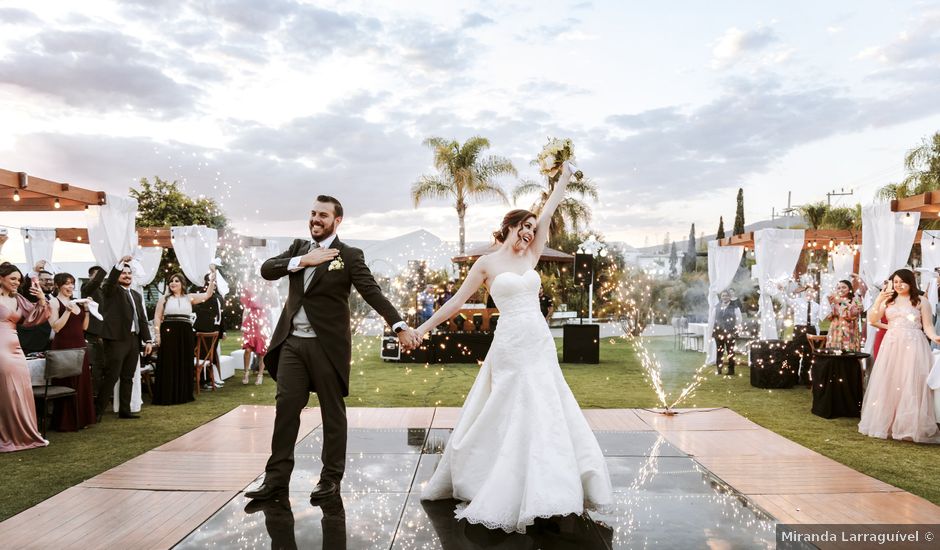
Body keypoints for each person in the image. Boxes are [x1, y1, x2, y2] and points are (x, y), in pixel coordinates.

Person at [417, 163, 613, 533]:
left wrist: (565, 176)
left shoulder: (531, 256)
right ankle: (501, 478)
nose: (528, 234)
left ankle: (551, 486)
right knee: (511, 407)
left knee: (546, 404)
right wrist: (423, 328)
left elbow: (551, 209)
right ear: (508, 227)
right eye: (523, 228)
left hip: (538, 340)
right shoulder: (487, 263)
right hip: (510, 343)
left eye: (531, 229)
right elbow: (457, 303)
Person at [245, 195, 418, 502]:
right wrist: (302, 261)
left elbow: (372, 293)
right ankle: (275, 480)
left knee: (332, 412)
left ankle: (330, 479)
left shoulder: (349, 255)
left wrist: (399, 326)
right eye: (312, 213)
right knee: (286, 408)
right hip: (292, 344)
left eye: (322, 215)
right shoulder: (299, 248)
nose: (315, 219)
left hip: (327, 347)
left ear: (337, 220)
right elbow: (268, 269)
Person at [859, 269, 940, 443]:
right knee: (890, 380)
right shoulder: (888, 300)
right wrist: (880, 301)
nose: (898, 285)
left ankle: (910, 426)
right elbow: (872, 319)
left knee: (910, 381)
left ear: (911, 282)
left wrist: (934, 337)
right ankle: (887, 423)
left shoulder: (921, 301)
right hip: (892, 344)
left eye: (902, 281)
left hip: (915, 344)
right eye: (895, 282)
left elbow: (928, 326)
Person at [94, 256, 153, 420]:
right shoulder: (111, 290)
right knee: (112, 376)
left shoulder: (135, 294)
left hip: (134, 340)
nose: (127, 275)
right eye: (123, 273)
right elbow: (110, 282)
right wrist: (119, 265)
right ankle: (97, 412)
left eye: (129, 273)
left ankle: (125, 411)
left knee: (128, 376)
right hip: (116, 340)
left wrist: (147, 340)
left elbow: (141, 318)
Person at [0, 262, 50, 452]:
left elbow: (34, 318)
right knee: (7, 391)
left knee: (22, 388)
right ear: (1, 278)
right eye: (12, 278)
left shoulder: (18, 298)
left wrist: (42, 299)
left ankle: (25, 434)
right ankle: (7, 435)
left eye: (19, 279)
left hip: (15, 347)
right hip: (1, 348)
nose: (16, 282)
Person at [152, 270, 216, 405]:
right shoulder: (164, 298)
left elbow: (208, 295)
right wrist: (157, 334)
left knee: (183, 360)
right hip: (168, 331)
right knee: (169, 362)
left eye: (176, 281)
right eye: (171, 281)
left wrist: (212, 278)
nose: (173, 283)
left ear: (182, 284)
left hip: (185, 332)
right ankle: (167, 395)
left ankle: (183, 394)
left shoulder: (189, 297)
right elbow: (157, 317)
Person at [48, 272, 97, 431]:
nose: (70, 286)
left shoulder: (76, 302)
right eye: (66, 283)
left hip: (80, 345)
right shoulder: (54, 303)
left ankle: (82, 419)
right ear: (58, 285)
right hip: (63, 347)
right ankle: (66, 422)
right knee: (67, 382)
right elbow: (56, 327)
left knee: (82, 383)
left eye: (72, 283)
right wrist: (67, 311)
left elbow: (84, 327)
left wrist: (87, 310)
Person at [192, 272, 226, 390]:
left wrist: (222, 331)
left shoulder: (219, 297)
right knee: (203, 355)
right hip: (204, 330)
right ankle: (204, 381)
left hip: (215, 330)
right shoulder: (204, 296)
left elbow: (221, 315)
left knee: (210, 355)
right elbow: (199, 311)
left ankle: (212, 379)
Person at [785, 285, 821, 384]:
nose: (810, 293)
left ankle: (805, 378)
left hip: (811, 330)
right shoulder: (798, 302)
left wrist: (817, 334)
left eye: (812, 292)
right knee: (795, 353)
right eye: (808, 291)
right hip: (799, 329)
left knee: (809, 355)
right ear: (805, 292)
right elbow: (787, 300)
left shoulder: (817, 306)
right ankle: (793, 378)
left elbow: (817, 322)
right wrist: (783, 291)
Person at [17, 263, 54, 355]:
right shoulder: (31, 294)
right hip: (31, 344)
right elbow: (26, 286)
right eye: (44, 280)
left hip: (49, 345)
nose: (49, 282)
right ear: (35, 281)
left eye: (50, 279)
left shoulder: (52, 297)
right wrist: (34, 271)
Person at [82, 266, 106, 400]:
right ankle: (93, 396)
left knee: (102, 366)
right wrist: (105, 267)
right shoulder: (87, 288)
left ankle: (101, 395)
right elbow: (96, 282)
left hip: (104, 333)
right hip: (93, 333)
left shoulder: (103, 290)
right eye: (97, 276)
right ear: (91, 276)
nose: (101, 278)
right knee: (95, 366)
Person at [240, 284, 269, 385]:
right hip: (250, 323)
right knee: (247, 350)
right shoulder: (250, 290)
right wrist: (243, 324)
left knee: (262, 352)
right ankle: (246, 372)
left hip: (263, 323)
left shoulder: (267, 292)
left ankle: (260, 375)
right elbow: (246, 309)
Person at [825, 279, 863, 351]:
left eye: (844, 287)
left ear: (849, 289)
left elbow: (854, 314)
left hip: (850, 332)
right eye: (838, 288)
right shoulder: (833, 301)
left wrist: (843, 302)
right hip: (835, 332)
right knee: (835, 355)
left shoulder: (856, 300)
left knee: (849, 355)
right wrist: (829, 305)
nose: (841, 290)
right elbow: (829, 317)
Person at [713, 290, 742, 375]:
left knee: (730, 351)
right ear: (721, 297)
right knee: (719, 351)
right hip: (718, 332)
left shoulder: (735, 307)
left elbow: (739, 320)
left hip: (730, 332)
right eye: (723, 296)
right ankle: (719, 369)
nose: (725, 297)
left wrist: (734, 329)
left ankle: (731, 370)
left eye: (726, 295)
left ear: (730, 297)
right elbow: (713, 319)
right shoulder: (716, 307)